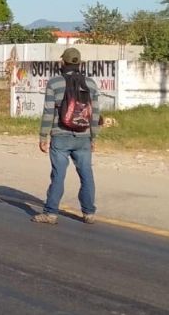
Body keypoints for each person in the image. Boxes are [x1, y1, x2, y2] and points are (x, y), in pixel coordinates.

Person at [33, 48, 101, 225]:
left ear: (63, 62)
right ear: (79, 63)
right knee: (86, 174)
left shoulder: (55, 83)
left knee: (58, 175)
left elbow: (48, 112)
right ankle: (89, 213)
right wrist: (94, 137)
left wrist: (43, 136)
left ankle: (51, 213)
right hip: (84, 136)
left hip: (60, 135)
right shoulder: (91, 84)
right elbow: (95, 114)